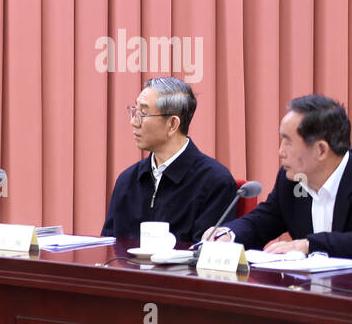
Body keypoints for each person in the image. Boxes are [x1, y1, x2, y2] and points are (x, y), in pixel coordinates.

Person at [204, 94, 351, 258]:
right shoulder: (291, 180)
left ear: (321, 150)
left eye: (288, 142)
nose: (281, 152)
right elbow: (262, 222)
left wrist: (307, 245)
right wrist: (228, 234)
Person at [101, 77, 237, 243]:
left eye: (143, 113)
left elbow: (204, 256)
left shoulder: (215, 182)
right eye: (134, 111)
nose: (133, 121)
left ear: (172, 124)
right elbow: (107, 247)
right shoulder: (127, 179)